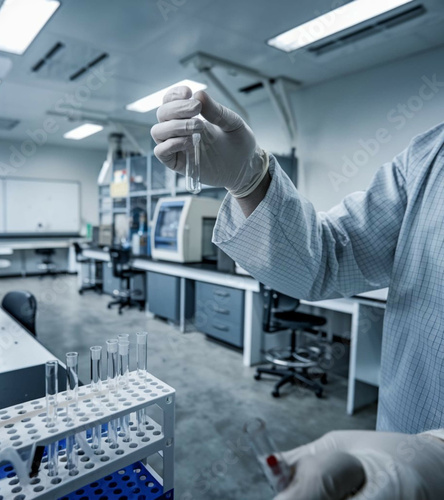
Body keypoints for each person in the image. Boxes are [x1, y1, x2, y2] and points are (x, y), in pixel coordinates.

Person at [151, 86, 444, 499]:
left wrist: (437, 455)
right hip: (396, 448)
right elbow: (326, 258)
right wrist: (249, 178)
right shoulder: (430, 156)